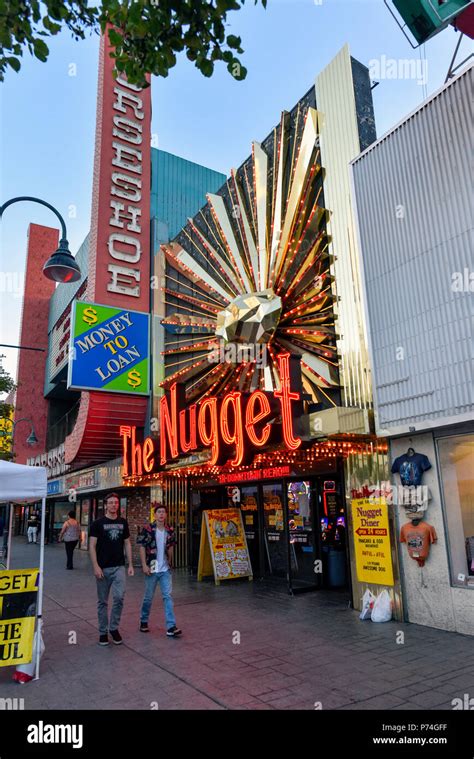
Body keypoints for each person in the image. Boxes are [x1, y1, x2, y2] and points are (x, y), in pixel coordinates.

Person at [89, 493, 134, 646]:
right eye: (111, 503)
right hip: (102, 568)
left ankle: (113, 628)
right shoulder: (97, 524)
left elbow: (127, 543)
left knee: (119, 597)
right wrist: (95, 565)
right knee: (102, 602)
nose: (114, 505)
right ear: (106, 505)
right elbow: (92, 546)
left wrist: (130, 564)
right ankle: (103, 631)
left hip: (119, 566)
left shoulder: (123, 522)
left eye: (116, 502)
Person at [137, 503, 181, 637]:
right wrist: (144, 564)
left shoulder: (170, 530)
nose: (161, 514)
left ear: (166, 515)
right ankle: (143, 621)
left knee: (167, 596)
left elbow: (171, 546)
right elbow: (142, 547)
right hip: (153, 567)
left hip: (165, 568)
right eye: (159, 512)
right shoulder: (147, 529)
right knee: (148, 598)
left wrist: (171, 561)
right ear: (155, 515)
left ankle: (171, 626)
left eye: (163, 512)